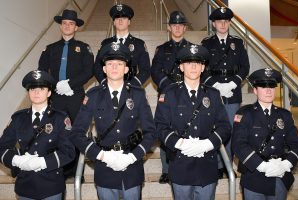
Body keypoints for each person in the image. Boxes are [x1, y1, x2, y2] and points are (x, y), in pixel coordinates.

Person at [69, 42, 156, 200]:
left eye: (119, 64)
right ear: (104, 69)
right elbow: (76, 133)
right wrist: (101, 155)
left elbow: (151, 132)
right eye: (110, 63)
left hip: (132, 165)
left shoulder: (137, 94)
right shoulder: (94, 95)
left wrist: (133, 156)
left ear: (126, 69)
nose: (114, 67)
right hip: (105, 166)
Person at [154, 44, 231, 200]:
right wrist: (181, 144)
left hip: (207, 166)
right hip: (180, 165)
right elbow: (160, 127)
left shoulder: (214, 94)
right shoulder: (169, 94)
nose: (194, 66)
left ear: (203, 67)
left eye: (198, 63)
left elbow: (224, 127)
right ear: (181, 67)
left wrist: (207, 144)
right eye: (189, 62)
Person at [0, 70, 75, 200]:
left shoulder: (60, 118)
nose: (36, 92)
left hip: (51, 185)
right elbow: (2, 147)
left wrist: (42, 162)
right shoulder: (18, 118)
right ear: (28, 92)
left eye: (41, 88)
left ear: (49, 92)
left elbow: (68, 152)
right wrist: (16, 160)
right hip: (24, 184)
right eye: (32, 88)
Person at [38, 9, 94, 178]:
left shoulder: (84, 48)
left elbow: (89, 70)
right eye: (65, 23)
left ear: (76, 27)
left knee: (77, 132)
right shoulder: (50, 48)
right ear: (60, 26)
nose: (68, 26)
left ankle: (78, 172)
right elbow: (42, 70)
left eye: (71, 23)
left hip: (75, 96)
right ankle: (60, 169)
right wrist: (55, 85)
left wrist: (70, 84)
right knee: (56, 133)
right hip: (55, 97)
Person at [232, 68, 298, 200]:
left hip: (280, 177)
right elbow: (238, 144)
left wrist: (286, 164)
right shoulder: (244, 113)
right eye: (263, 86)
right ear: (255, 90)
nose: (268, 90)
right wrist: (262, 166)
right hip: (254, 177)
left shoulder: (285, 115)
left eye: (272, 87)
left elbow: (296, 144)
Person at [201, 7, 250, 177]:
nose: (223, 24)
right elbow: (203, 68)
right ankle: (216, 166)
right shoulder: (206, 43)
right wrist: (216, 86)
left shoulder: (238, 43)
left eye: (226, 21)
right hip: (213, 92)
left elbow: (245, 67)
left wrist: (233, 83)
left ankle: (228, 165)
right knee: (213, 128)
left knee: (230, 129)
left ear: (229, 23)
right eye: (219, 21)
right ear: (214, 24)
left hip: (233, 92)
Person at [151, 10, 191, 184]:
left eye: (180, 25)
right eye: (174, 25)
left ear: (185, 28)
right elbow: (155, 71)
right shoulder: (162, 49)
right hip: (167, 93)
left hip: (187, 94)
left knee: (188, 130)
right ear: (169, 27)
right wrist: (167, 85)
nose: (177, 28)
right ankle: (166, 170)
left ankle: (187, 166)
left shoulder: (192, 49)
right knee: (165, 130)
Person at [94, 4, 150, 87]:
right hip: (109, 88)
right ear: (114, 22)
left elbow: (146, 70)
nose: (120, 20)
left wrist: (132, 84)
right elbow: (97, 67)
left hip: (131, 88)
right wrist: (105, 82)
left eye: (124, 18)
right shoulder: (106, 43)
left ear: (129, 22)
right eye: (117, 18)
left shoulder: (139, 44)